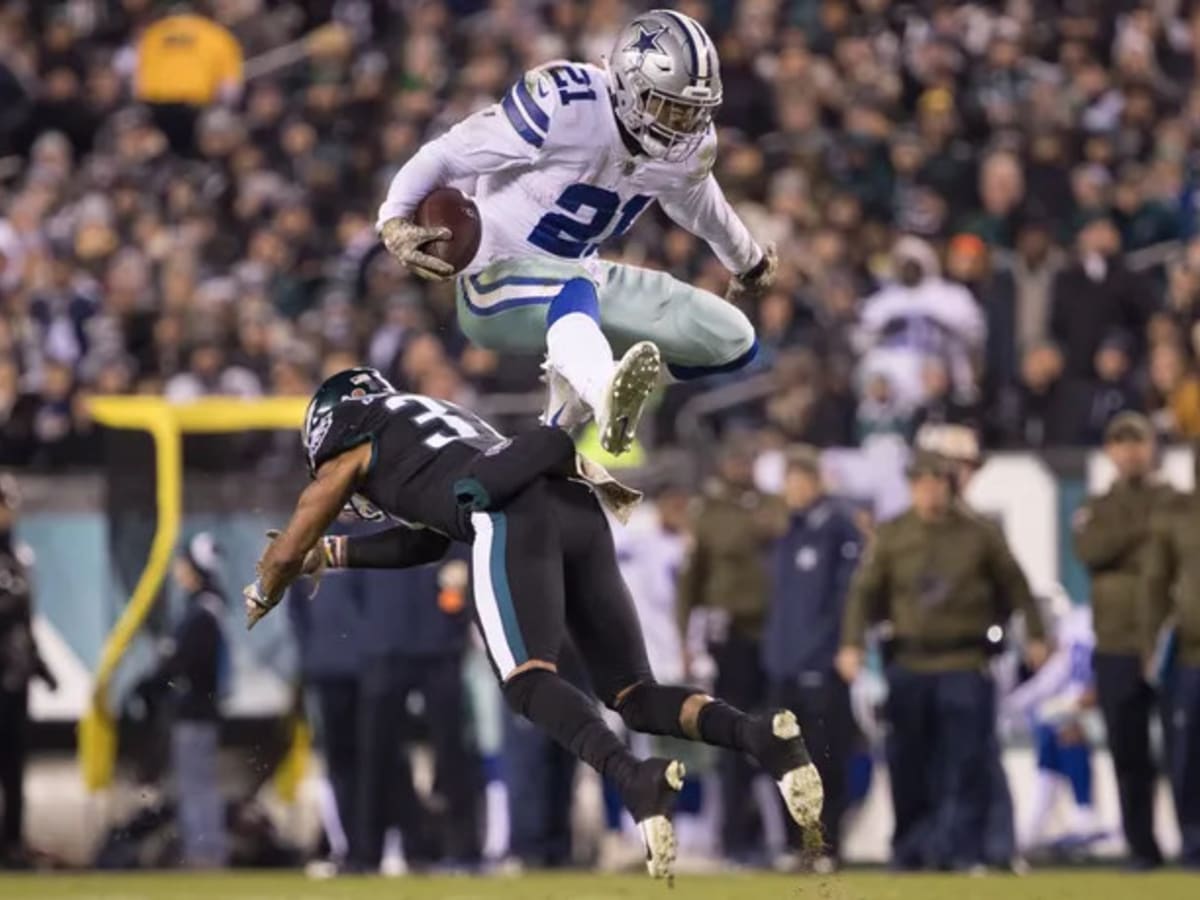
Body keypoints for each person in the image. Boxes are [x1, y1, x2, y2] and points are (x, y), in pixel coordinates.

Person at [243, 367, 821, 881]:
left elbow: (308, 513)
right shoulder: (429, 423)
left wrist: (270, 579)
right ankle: (760, 737)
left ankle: (632, 777)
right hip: (570, 500)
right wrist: (336, 555)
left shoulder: (354, 428)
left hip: (509, 512)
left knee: (525, 680)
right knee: (634, 695)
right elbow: (426, 536)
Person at [375, 9, 775, 456]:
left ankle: (579, 382)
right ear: (627, 84)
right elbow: (449, 155)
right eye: (670, 107)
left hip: (579, 280)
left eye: (693, 112)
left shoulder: (689, 148)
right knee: (575, 285)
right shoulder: (565, 103)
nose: (683, 126)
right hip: (494, 278)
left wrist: (747, 259)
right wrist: (394, 215)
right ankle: (601, 392)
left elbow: (702, 207)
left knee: (731, 340)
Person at [837, 452, 1047, 871]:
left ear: (950, 486)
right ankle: (911, 849)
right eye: (921, 482)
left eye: (937, 482)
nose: (929, 490)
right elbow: (864, 593)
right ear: (912, 486)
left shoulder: (979, 533)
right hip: (909, 661)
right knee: (907, 762)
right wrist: (851, 643)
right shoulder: (893, 534)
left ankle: (962, 850)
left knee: (966, 762)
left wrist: (1036, 635)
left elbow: (1017, 585)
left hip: (965, 660)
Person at [1073, 411, 1176, 870]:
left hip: (1175, 641)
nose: (1130, 449)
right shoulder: (1099, 504)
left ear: (1151, 446)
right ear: (1110, 450)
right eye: (1120, 441)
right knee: (1128, 750)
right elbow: (1090, 551)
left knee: (1186, 749)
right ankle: (1141, 846)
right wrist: (1145, 533)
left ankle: (1192, 839)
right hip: (1115, 642)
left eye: (1137, 440)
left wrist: (1124, 543)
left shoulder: (1176, 500)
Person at [676, 436, 788, 861]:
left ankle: (784, 838)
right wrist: (687, 638)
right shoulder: (710, 512)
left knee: (780, 736)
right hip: (731, 637)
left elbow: (774, 527)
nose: (743, 467)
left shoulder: (766, 503)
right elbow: (690, 583)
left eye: (748, 460)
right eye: (736, 460)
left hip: (775, 635)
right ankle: (736, 838)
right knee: (736, 740)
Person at [762, 446, 862, 870]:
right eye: (789, 481)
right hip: (783, 664)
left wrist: (845, 646)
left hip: (821, 665)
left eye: (801, 481)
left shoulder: (837, 529)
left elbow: (848, 597)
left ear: (816, 482)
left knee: (822, 759)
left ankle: (826, 846)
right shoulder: (788, 532)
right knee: (786, 762)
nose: (795, 490)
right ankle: (793, 844)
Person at [145, 532, 230, 868]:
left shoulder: (202, 613)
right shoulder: (207, 609)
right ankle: (205, 849)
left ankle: (204, 852)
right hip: (200, 710)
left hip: (196, 710)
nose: (179, 570)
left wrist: (156, 683)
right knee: (198, 783)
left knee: (196, 785)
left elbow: (183, 663)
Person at [1141, 444, 1200, 869]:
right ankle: (1194, 842)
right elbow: (1155, 584)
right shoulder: (1177, 516)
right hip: (1192, 655)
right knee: (1187, 754)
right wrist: (1149, 646)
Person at [0, 475, 56, 869]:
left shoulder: (17, 556)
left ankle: (12, 842)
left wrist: (40, 665)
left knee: (14, 768)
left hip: (14, 679)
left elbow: (24, 625)